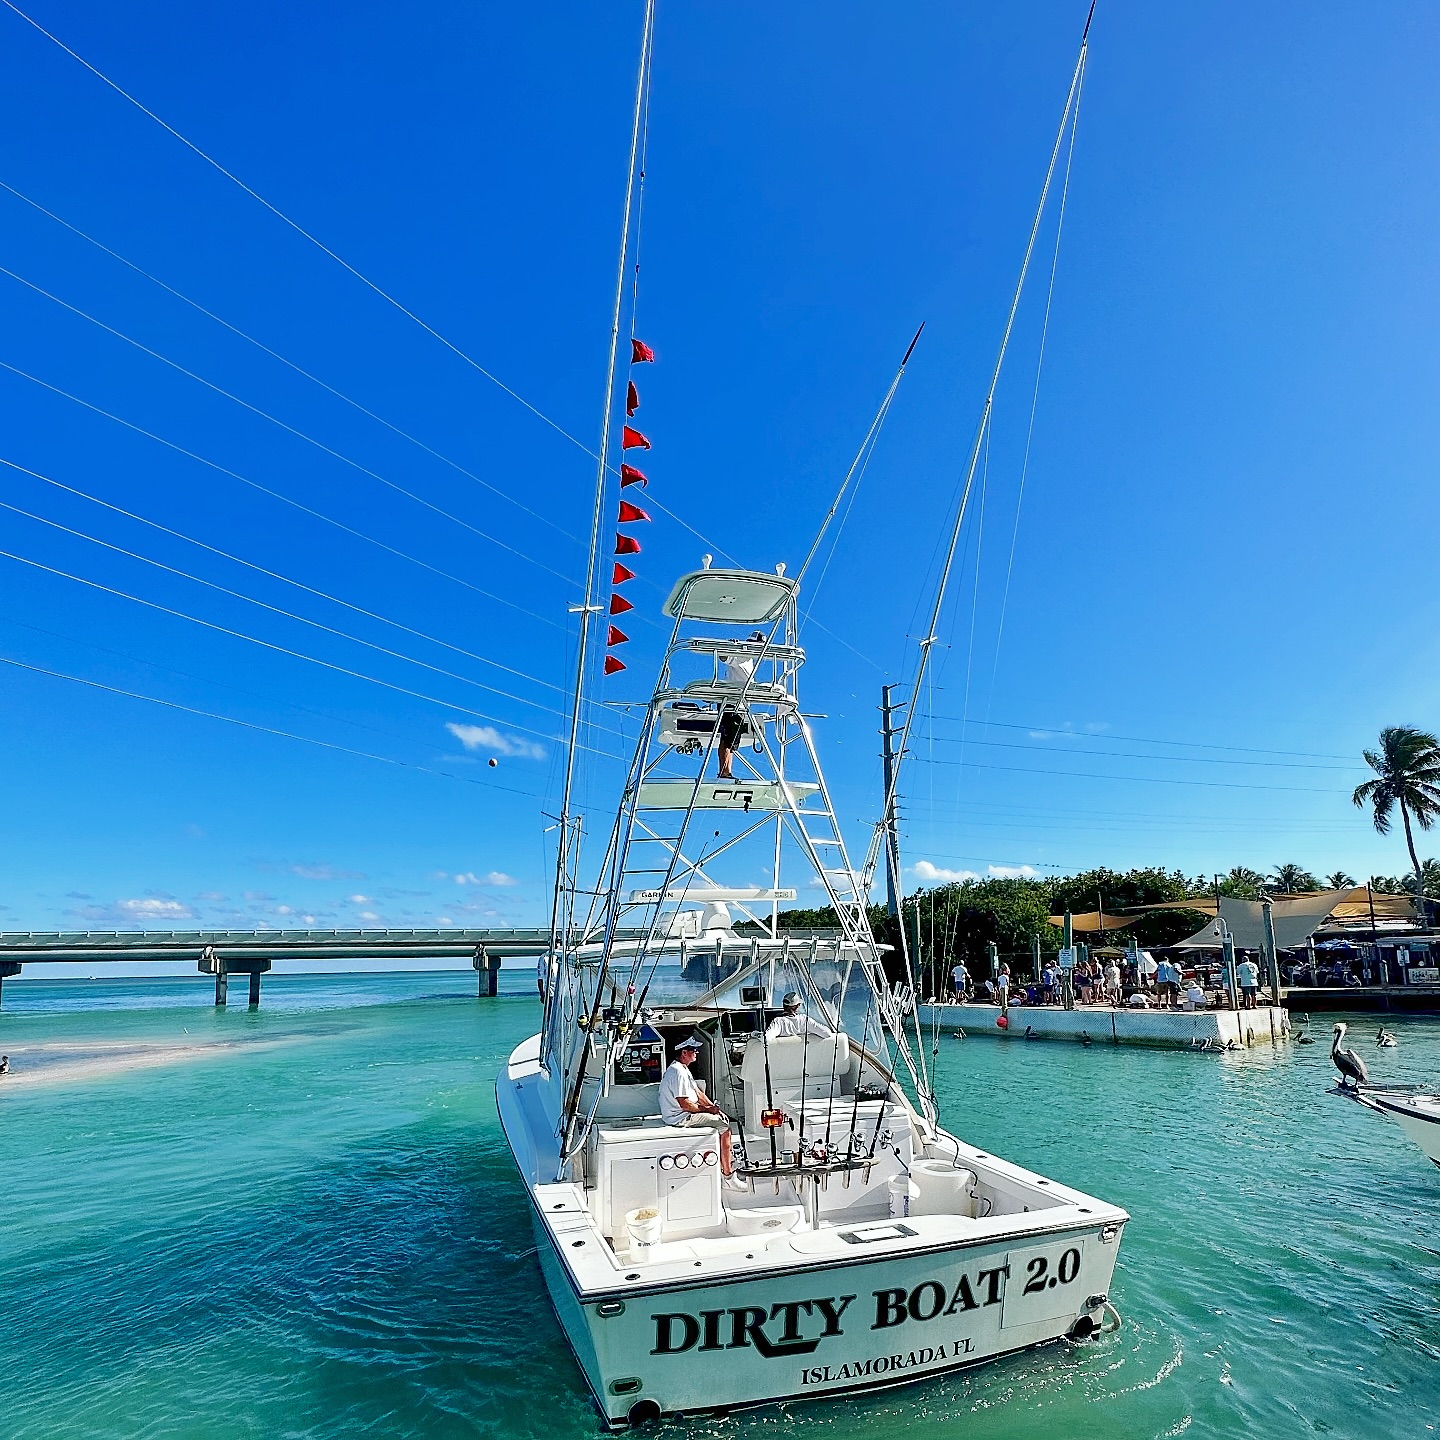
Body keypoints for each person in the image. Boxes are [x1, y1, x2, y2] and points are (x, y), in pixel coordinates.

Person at [659, 1036, 738, 1182]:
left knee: (720, 1119)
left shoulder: (682, 1069)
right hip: (681, 1118)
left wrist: (715, 1109)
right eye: (693, 1050)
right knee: (725, 1128)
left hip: (685, 1113)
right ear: (684, 1052)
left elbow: (698, 1093)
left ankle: (725, 1163)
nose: (697, 1052)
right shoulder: (678, 1073)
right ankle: (728, 1175)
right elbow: (685, 1104)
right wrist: (708, 1110)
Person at [716, 632, 765, 780]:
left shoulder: (747, 658)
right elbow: (725, 658)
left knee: (732, 740)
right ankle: (724, 772)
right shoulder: (743, 654)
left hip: (738, 704)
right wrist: (729, 648)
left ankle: (726, 772)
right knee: (728, 739)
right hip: (732, 703)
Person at [765, 991, 832, 1040]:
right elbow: (827, 1034)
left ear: (783, 1005)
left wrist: (755, 1033)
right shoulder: (804, 1020)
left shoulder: (778, 1021)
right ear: (797, 1006)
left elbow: (767, 1037)